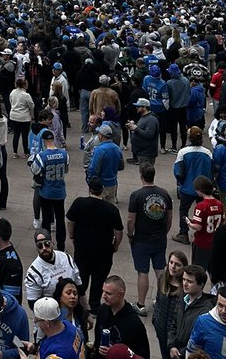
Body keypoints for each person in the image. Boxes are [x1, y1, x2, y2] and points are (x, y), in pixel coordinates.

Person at [65, 176, 123, 313]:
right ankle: (95, 305)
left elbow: (70, 221)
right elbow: (119, 231)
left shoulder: (79, 203)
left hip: (83, 249)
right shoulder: (110, 209)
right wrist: (116, 245)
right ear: (102, 190)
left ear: (89, 189)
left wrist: (72, 236)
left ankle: (79, 303)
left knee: (81, 278)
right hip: (103, 252)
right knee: (99, 279)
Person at [127, 162, 172, 315]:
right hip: (159, 239)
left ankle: (140, 304)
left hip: (141, 239)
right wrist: (164, 232)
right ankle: (161, 301)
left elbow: (131, 219)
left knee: (142, 272)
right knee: (160, 270)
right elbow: (169, 217)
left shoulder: (136, 195)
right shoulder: (164, 193)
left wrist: (130, 235)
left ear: (141, 177)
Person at [19, 296, 85, 359]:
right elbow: (50, 342)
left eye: (37, 321)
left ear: (47, 323)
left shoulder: (59, 356)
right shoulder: (68, 326)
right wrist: (35, 348)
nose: (37, 325)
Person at [168, 264, 215, 359]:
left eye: (189, 281)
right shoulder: (182, 298)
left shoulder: (205, 310)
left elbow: (199, 339)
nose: (185, 284)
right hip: (176, 356)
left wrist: (179, 355)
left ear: (201, 285)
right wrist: (171, 346)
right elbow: (173, 323)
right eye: (183, 280)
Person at [91, 274, 151, 359]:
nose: (103, 296)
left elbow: (144, 358)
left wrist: (118, 353)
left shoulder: (134, 323)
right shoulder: (103, 310)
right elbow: (97, 340)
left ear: (120, 295)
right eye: (103, 291)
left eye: (108, 293)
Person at [29, 130, 69, 249]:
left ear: (44, 141)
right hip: (60, 192)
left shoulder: (42, 156)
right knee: (60, 219)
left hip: (46, 192)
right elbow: (66, 170)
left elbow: (35, 170)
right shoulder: (64, 154)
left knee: (46, 220)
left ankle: (47, 244)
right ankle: (61, 245)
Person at [24, 229, 82, 308]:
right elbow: (33, 304)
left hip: (73, 309)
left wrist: (86, 310)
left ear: (52, 242)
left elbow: (79, 285)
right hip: (52, 314)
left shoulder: (66, 258)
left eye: (47, 244)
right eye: (40, 245)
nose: (44, 248)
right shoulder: (34, 272)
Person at [173, 128, 212, 242]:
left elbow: (178, 172)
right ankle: (202, 232)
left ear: (189, 138)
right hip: (203, 189)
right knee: (203, 212)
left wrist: (181, 183)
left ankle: (183, 233)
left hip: (187, 188)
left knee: (184, 210)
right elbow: (212, 171)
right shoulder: (207, 153)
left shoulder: (183, 152)